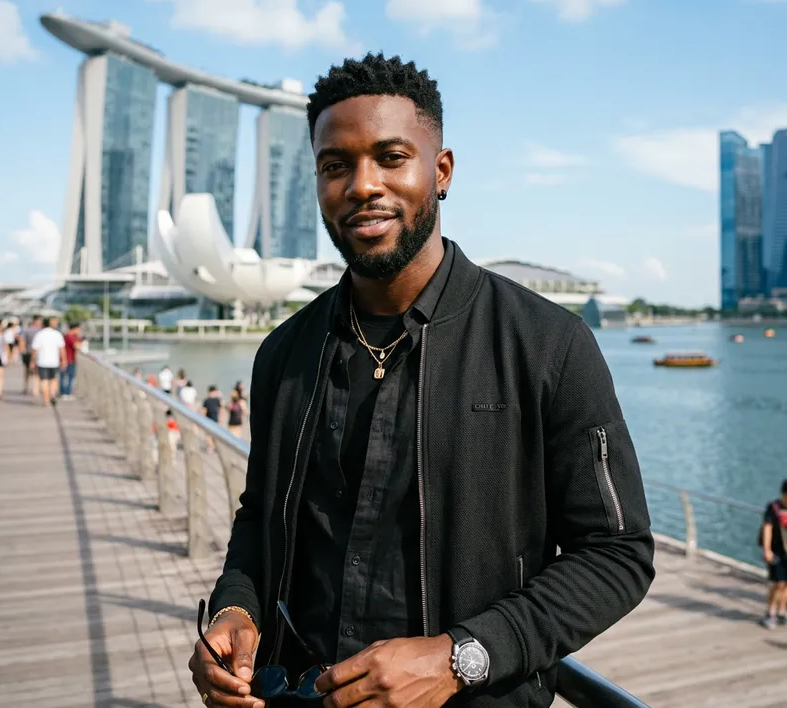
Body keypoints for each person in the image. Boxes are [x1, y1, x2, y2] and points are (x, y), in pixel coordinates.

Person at [188, 53, 654, 708]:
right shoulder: (284, 354)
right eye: (335, 165)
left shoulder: (547, 344)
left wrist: (460, 656)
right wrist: (236, 611)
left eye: (390, 157)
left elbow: (616, 553)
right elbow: (260, 516)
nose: (362, 185)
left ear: (440, 172)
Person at [760, 479, 787, 629]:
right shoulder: (773, 508)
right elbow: (767, 528)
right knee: (778, 583)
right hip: (776, 551)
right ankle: (770, 612)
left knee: (786, 584)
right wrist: (767, 549)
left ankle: (782, 612)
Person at [32, 316, 66, 407]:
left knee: (44, 381)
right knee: (53, 380)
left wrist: (32, 361)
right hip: (54, 362)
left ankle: (46, 400)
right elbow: (62, 349)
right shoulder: (57, 334)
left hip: (42, 361)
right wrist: (64, 360)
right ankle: (52, 395)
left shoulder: (39, 334)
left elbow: (35, 350)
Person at [19, 316, 42, 396]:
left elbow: (22, 340)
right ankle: (35, 390)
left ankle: (26, 388)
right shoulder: (40, 331)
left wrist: (22, 350)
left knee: (27, 371)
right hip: (35, 353)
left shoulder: (27, 330)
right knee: (36, 372)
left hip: (28, 352)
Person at [60, 322, 83, 400]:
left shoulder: (67, 336)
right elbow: (77, 346)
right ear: (75, 328)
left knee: (64, 377)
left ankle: (64, 393)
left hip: (67, 359)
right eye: (79, 329)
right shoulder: (69, 336)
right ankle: (66, 393)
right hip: (69, 360)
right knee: (69, 377)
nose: (79, 331)